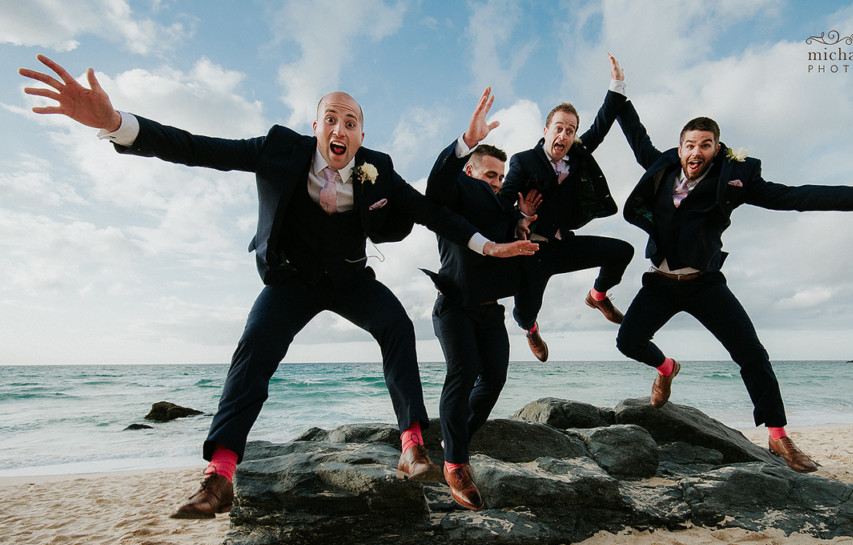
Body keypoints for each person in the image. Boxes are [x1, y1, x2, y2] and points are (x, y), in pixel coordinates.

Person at [19, 54, 538, 518]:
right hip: (291, 279)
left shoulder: (376, 168)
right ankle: (219, 475)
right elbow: (198, 148)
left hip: (352, 278)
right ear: (316, 126)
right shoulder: (278, 149)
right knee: (254, 349)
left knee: (397, 327)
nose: (341, 128)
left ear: (361, 134)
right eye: (331, 118)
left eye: (351, 122)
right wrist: (115, 124)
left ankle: (412, 447)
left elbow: (431, 213)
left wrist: (488, 247)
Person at [614, 104, 853, 472]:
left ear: (717, 148)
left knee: (752, 355)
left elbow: (794, 197)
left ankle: (778, 435)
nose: (696, 152)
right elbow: (635, 134)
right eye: (690, 145)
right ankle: (667, 367)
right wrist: (620, 95)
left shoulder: (734, 178)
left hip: (704, 283)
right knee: (628, 341)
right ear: (680, 150)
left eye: (706, 144)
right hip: (659, 282)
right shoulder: (660, 166)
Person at [424, 88, 541, 510]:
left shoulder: (503, 208)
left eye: (500, 176)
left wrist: (522, 220)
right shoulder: (455, 194)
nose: (496, 181)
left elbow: (515, 225)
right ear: (471, 172)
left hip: (491, 312)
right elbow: (436, 185)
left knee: (493, 378)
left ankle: (454, 441)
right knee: (464, 370)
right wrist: (465, 144)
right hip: (454, 306)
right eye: (488, 174)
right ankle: (455, 463)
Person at [498, 53, 635, 362]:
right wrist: (520, 215)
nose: (564, 135)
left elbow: (601, 125)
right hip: (534, 252)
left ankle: (597, 297)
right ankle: (531, 330)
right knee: (524, 311)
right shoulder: (524, 161)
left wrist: (617, 85)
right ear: (546, 130)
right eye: (559, 128)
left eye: (570, 130)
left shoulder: (577, 156)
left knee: (622, 252)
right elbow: (503, 199)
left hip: (564, 246)